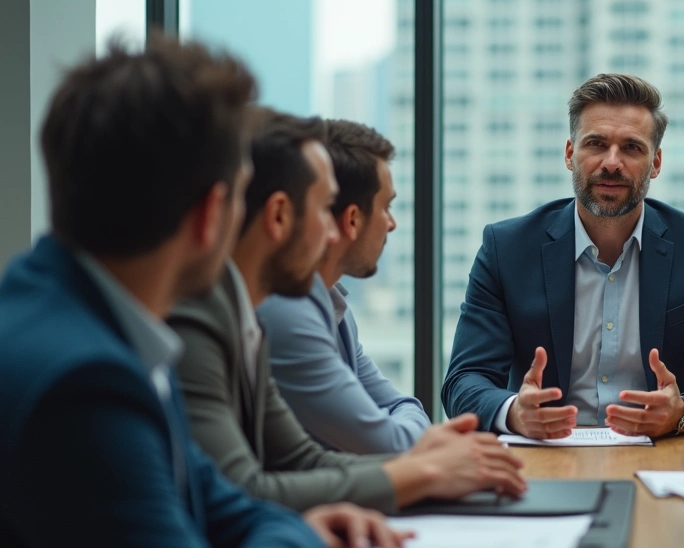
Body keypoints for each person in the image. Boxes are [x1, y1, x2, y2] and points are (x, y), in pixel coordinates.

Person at [0, 36, 404, 547]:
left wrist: (293, 528)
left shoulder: (95, 319)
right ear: (212, 214)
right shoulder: (84, 383)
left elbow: (220, 503)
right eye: (240, 196)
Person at [170, 111, 526, 514]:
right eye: (326, 210)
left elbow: (302, 461)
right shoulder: (227, 315)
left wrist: (426, 465)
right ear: (279, 215)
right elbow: (246, 491)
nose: (335, 232)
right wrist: (427, 471)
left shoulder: (253, 314)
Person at [442, 73, 684, 438]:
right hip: (546, 455)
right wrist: (514, 413)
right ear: (570, 154)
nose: (612, 162)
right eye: (596, 144)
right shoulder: (506, 248)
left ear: (656, 163)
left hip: (664, 454)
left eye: (632, 147)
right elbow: (464, 380)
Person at [258, 120, 428, 454]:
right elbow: (388, 444)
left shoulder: (334, 306)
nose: (391, 224)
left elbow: (402, 405)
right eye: (386, 207)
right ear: (352, 218)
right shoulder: (286, 314)